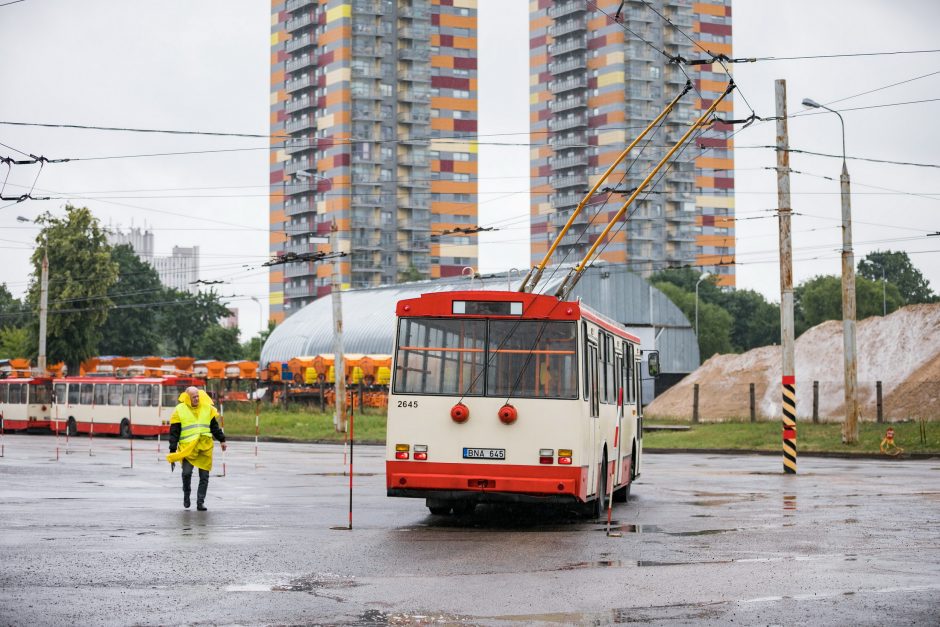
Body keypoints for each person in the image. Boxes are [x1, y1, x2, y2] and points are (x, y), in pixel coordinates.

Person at [166, 387, 227, 511]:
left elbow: (214, 427)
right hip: (189, 448)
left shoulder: (207, 408)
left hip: (205, 447)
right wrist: (173, 450)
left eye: (198, 396)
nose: (197, 398)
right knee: (186, 473)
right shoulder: (179, 410)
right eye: (194, 396)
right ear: (188, 397)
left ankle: (200, 502)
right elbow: (174, 432)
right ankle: (186, 494)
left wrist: (222, 440)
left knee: (204, 476)